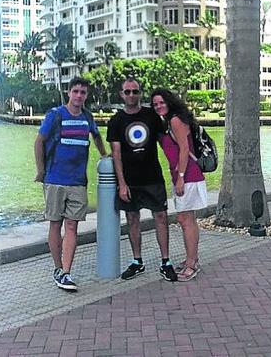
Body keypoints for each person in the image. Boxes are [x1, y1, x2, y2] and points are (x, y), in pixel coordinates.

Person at [34, 77, 107, 291]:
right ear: (69, 93)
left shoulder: (87, 117)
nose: (79, 96)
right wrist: (40, 170)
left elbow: (96, 136)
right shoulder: (56, 115)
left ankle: (66, 272)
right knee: (55, 224)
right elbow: (39, 142)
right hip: (55, 179)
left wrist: (105, 155)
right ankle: (58, 267)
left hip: (78, 182)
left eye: (83, 92)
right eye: (75, 91)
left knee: (73, 225)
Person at [107, 78, 178, 282]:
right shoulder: (116, 121)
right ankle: (137, 261)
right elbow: (116, 154)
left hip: (153, 177)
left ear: (140, 93)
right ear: (121, 94)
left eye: (135, 91)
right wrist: (122, 184)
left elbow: (166, 143)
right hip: (130, 181)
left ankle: (166, 261)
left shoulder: (151, 116)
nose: (131, 95)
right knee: (132, 219)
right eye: (127, 92)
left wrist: (179, 167)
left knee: (161, 217)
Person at [150, 88, 207, 282]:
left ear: (169, 101)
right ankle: (192, 258)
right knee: (187, 218)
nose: (158, 106)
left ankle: (192, 265)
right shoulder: (169, 121)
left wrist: (181, 176)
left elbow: (184, 149)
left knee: (185, 220)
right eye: (155, 104)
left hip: (188, 175)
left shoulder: (175, 120)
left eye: (161, 102)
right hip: (182, 175)